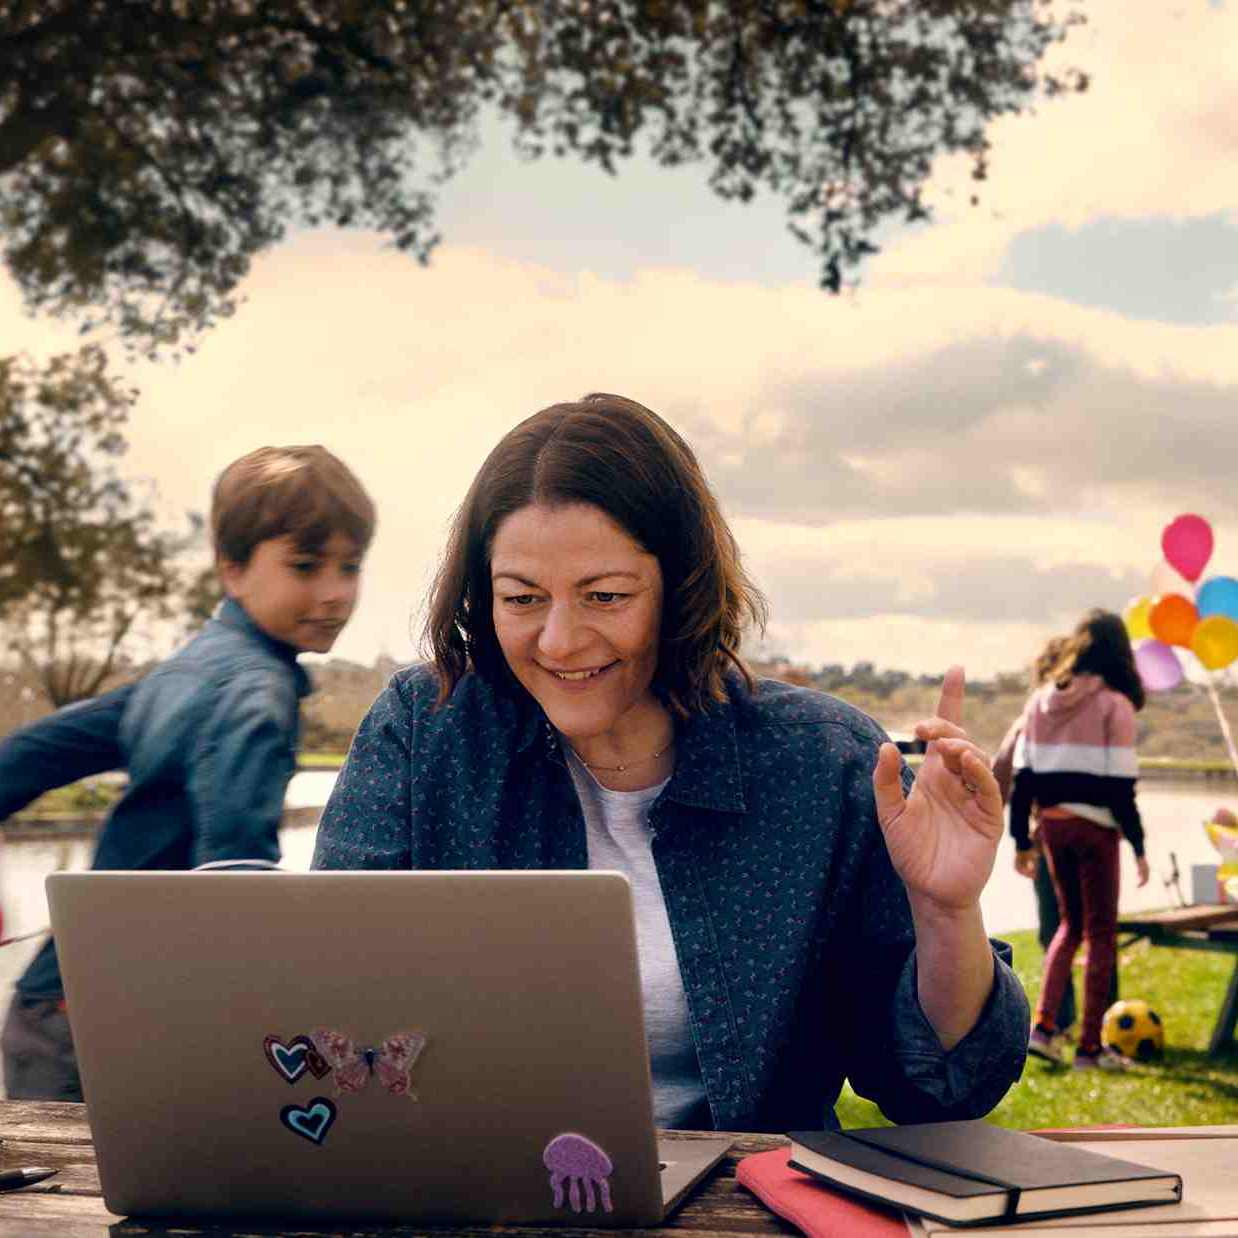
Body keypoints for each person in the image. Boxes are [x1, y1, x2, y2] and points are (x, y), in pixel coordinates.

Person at [312, 393, 1028, 1133]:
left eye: (605, 596)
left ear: (682, 589)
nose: (558, 640)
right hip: (475, 1202)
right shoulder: (426, 733)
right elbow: (325, 1001)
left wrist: (949, 913)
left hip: (740, 1211)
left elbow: (937, 1091)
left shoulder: (826, 765)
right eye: (522, 598)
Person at [0, 445, 375, 1101]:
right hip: (115, 1026)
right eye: (305, 565)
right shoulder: (256, 693)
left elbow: (20, 761)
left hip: (51, 1006)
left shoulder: (180, 673)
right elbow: (233, 885)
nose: (335, 592)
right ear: (232, 570)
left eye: (350, 566)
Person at [1009, 610, 1151, 1072]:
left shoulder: (1041, 700)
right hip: (1094, 828)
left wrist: (1019, 840)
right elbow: (1119, 788)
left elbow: (1023, 778)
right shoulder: (1115, 705)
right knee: (1102, 933)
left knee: (1069, 927)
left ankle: (1046, 1029)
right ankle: (1090, 1049)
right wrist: (1139, 845)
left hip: (1051, 825)